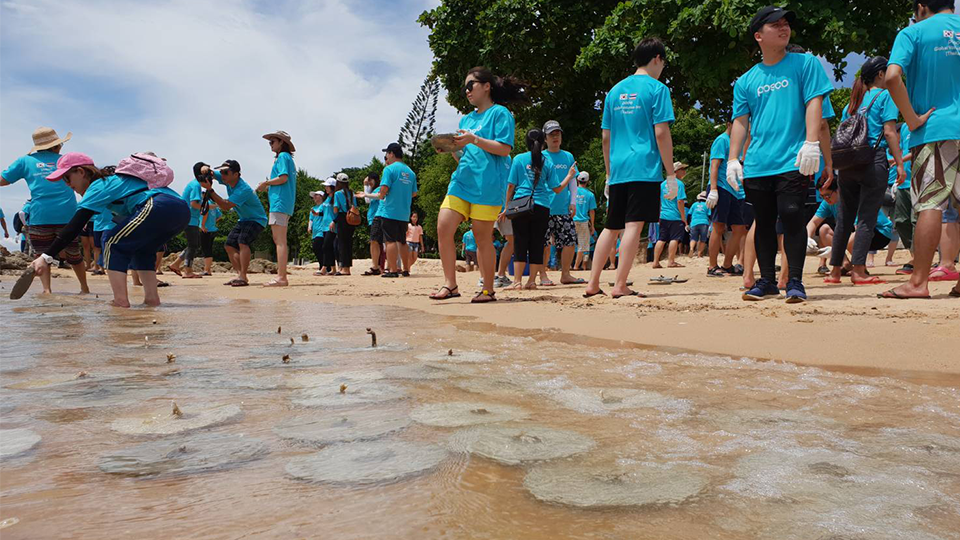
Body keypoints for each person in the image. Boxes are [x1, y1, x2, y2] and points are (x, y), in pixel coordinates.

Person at [727, 7, 833, 303]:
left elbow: (815, 104)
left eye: (786, 22)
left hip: (793, 158)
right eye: (775, 24)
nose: (783, 27)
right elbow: (740, 121)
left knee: (791, 216)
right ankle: (767, 281)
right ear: (759, 36)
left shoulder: (805, 64)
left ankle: (796, 281)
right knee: (762, 221)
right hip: (759, 162)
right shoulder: (746, 80)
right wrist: (734, 159)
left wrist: (811, 143)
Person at [30, 152, 187, 307]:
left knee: (111, 242)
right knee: (142, 251)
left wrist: (45, 257)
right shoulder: (113, 183)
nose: (67, 185)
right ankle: (151, 299)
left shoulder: (98, 185)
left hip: (159, 205)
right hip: (180, 210)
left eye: (67, 178)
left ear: (81, 172)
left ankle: (120, 300)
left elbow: (74, 226)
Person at [584, 38, 676, 299]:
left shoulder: (614, 91)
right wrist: (670, 173)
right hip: (643, 166)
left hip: (619, 169)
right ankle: (620, 284)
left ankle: (592, 283)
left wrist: (608, 172)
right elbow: (661, 133)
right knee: (634, 225)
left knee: (611, 226)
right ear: (657, 58)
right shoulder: (658, 89)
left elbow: (605, 137)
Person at [881, 0, 960, 299]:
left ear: (921, 6)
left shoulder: (913, 32)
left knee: (930, 203)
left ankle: (917, 283)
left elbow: (891, 77)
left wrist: (912, 119)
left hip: (935, 129)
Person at [430, 66, 523, 303]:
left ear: (486, 86)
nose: (467, 90)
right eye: (465, 87)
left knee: (481, 237)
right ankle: (450, 285)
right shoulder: (466, 118)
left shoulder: (500, 114)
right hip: (462, 181)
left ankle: (487, 289)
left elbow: (504, 149)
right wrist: (450, 149)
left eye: (470, 85)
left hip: (488, 184)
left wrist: (474, 139)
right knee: (443, 226)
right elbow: (464, 155)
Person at [823, 56, 905, 285]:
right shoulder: (885, 96)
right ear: (880, 75)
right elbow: (889, 132)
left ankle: (835, 272)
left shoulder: (853, 103)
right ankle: (858, 271)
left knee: (844, 218)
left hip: (848, 165)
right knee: (867, 217)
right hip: (872, 160)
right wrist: (899, 162)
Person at [2, 127, 89, 294]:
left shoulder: (25, 161)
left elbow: (3, 180)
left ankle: (47, 290)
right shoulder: (66, 161)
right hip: (68, 216)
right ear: (56, 146)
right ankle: (84, 288)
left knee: (42, 255)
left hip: (40, 215)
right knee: (74, 255)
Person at [501, 129, 575, 290]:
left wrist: (506, 207)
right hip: (542, 206)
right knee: (537, 243)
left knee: (520, 242)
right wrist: (569, 176)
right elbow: (556, 188)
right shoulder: (547, 162)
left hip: (521, 204)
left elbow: (511, 186)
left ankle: (517, 281)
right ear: (543, 142)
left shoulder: (519, 159)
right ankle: (532, 282)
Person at [198, 160, 267, 287]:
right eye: (222, 171)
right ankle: (240, 275)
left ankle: (243, 276)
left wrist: (211, 191)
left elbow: (225, 206)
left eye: (225, 172)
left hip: (257, 219)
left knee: (242, 241)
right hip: (243, 219)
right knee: (229, 245)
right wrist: (204, 167)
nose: (222, 174)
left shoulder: (243, 189)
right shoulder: (227, 179)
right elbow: (211, 172)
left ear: (236, 174)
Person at [539, 120, 582, 286]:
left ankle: (566, 274)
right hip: (544, 205)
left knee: (570, 241)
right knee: (544, 243)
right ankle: (543, 275)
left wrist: (573, 202)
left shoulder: (568, 156)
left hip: (563, 207)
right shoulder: (541, 156)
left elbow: (573, 181)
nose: (555, 137)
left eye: (557, 133)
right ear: (545, 138)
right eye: (551, 134)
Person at [706, 122, 749, 276]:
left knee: (739, 228)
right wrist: (713, 190)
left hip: (735, 191)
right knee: (718, 226)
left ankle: (727, 264)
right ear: (729, 124)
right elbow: (714, 166)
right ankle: (712, 266)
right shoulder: (722, 140)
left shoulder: (738, 143)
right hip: (721, 188)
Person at [372, 143, 418, 278]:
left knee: (390, 241)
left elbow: (384, 189)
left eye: (387, 153)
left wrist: (381, 195)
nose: (386, 156)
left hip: (390, 211)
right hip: (404, 213)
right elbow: (414, 193)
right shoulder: (411, 172)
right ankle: (406, 269)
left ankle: (392, 270)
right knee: (402, 241)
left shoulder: (389, 169)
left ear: (391, 153)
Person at [258, 130, 296, 287]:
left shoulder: (282, 157)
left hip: (279, 203)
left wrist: (265, 183)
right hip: (283, 203)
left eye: (272, 141)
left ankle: (281, 277)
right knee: (280, 240)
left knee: (279, 241)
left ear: (281, 143)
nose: (270, 144)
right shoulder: (287, 158)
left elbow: (283, 178)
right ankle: (282, 276)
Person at [169, 164, 206, 279]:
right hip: (190, 218)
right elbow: (194, 203)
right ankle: (188, 270)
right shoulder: (196, 185)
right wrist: (204, 208)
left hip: (189, 218)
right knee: (193, 245)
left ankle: (176, 264)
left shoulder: (193, 183)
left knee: (193, 244)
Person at [652, 162, 688, 269]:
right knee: (674, 238)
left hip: (663, 215)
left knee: (661, 238)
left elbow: (658, 201)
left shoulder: (662, 184)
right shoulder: (679, 184)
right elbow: (680, 201)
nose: (684, 171)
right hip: (675, 215)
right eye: (682, 169)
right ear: (676, 171)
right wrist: (683, 217)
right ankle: (671, 261)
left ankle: (655, 262)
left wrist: (658, 214)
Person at [355, 173, 383, 276]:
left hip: (376, 217)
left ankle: (376, 266)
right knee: (376, 242)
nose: (369, 183)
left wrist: (365, 186)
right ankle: (378, 266)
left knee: (375, 242)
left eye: (370, 181)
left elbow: (367, 200)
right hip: (373, 218)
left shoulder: (378, 189)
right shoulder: (375, 190)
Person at [332, 172, 357, 275]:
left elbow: (336, 209)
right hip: (351, 218)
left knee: (342, 243)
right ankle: (348, 268)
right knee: (349, 243)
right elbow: (355, 206)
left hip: (342, 217)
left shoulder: (338, 194)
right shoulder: (352, 193)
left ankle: (344, 269)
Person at [574, 171, 597, 270]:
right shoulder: (590, 195)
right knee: (582, 246)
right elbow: (592, 211)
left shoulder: (571, 192)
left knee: (569, 245)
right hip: (583, 221)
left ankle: (569, 267)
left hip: (571, 220)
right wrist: (592, 225)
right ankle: (576, 266)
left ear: (577, 180)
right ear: (587, 181)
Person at [320, 178, 339, 275]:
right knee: (329, 247)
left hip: (331, 225)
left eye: (327, 186)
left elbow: (339, 212)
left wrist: (334, 221)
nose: (326, 188)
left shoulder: (336, 197)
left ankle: (324, 268)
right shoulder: (326, 198)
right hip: (324, 225)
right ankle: (333, 269)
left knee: (326, 246)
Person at [91, 209, 116, 275]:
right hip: (97, 224)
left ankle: (108, 268)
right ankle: (98, 268)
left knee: (105, 245)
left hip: (110, 223)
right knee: (97, 247)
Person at [199, 202, 221, 276]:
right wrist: (212, 222)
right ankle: (208, 270)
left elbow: (206, 213)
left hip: (205, 229)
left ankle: (206, 270)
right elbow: (219, 216)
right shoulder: (214, 205)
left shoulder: (206, 203)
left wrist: (202, 225)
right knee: (209, 249)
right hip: (212, 229)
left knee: (205, 249)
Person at [308, 190, 326, 275]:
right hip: (315, 231)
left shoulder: (324, 206)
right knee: (317, 249)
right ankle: (322, 266)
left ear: (321, 196)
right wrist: (309, 227)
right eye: (314, 196)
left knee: (317, 247)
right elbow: (311, 219)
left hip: (321, 230)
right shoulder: (313, 208)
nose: (314, 197)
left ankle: (323, 266)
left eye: (316, 195)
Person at [689, 192, 710, 257]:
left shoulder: (694, 204)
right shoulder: (707, 205)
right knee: (703, 239)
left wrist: (688, 223)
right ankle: (699, 253)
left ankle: (691, 248)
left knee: (693, 238)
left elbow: (689, 214)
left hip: (694, 222)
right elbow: (709, 215)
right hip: (704, 222)